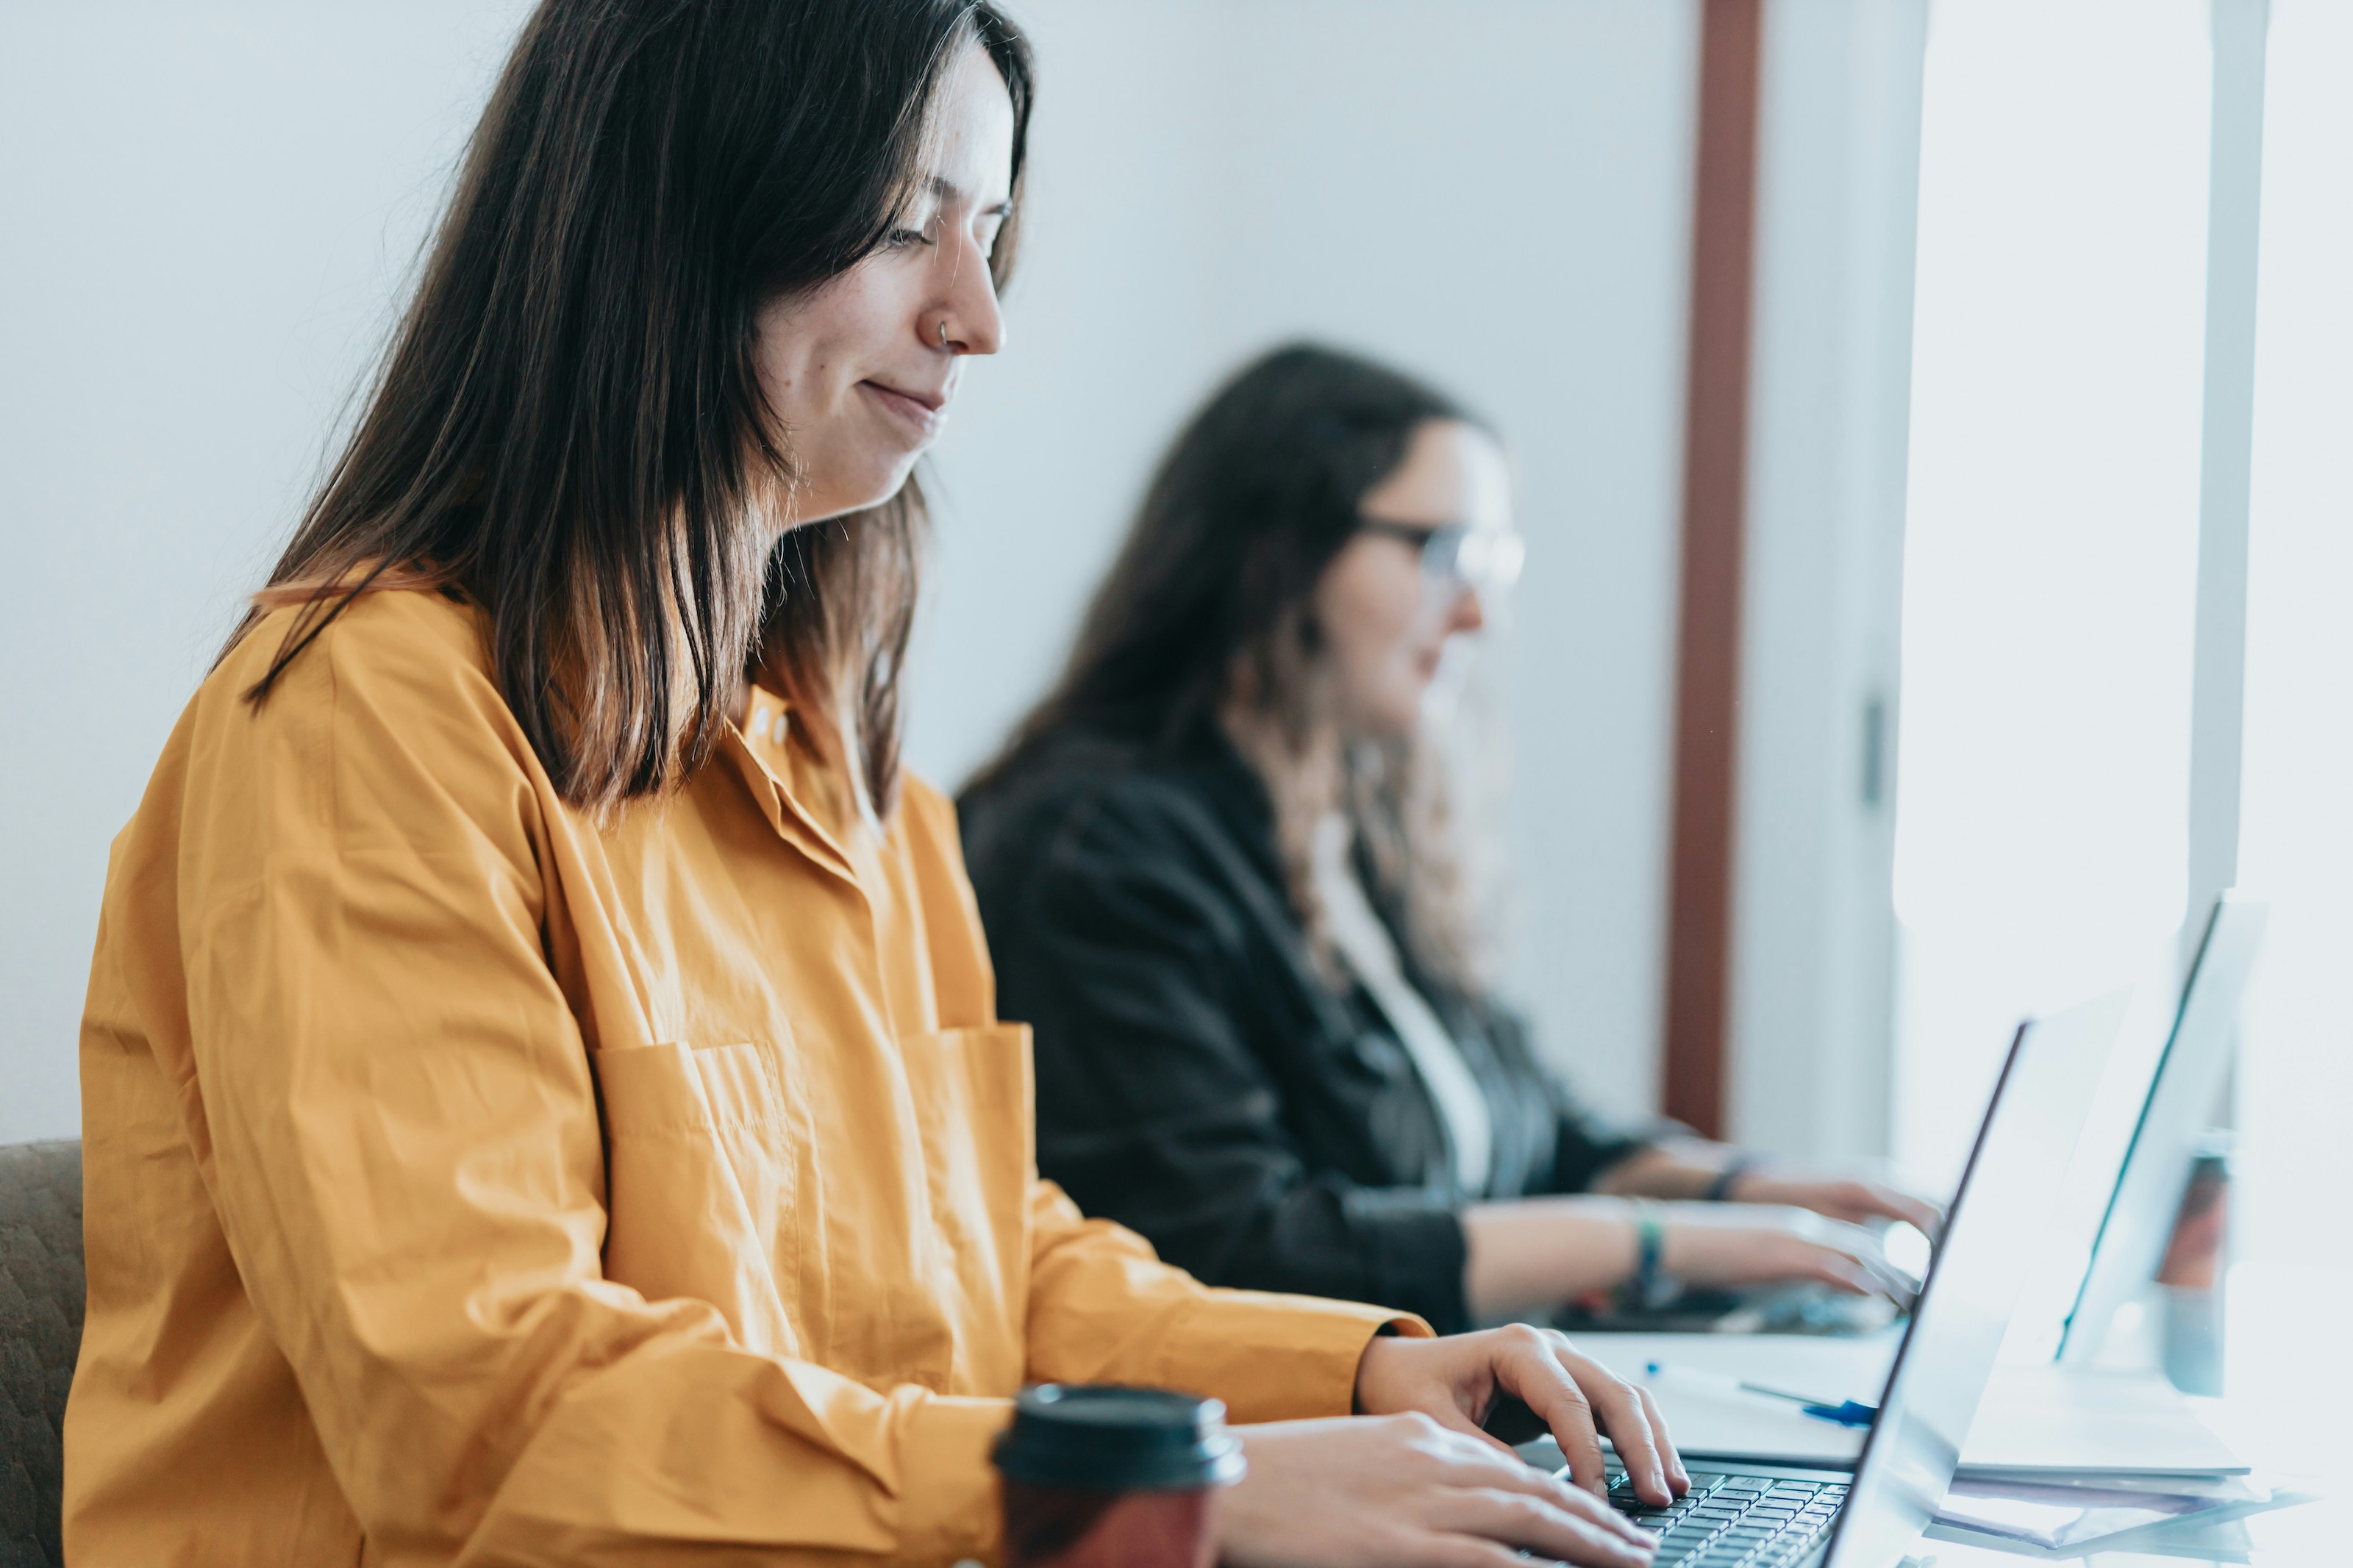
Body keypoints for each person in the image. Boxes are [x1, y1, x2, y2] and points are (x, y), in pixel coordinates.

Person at [63, 8, 1684, 1565]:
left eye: (988, 232)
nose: (980, 315)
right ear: (687, 217)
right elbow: (487, 1427)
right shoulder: (369, 723)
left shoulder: (834, 762)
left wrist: (1357, 1371)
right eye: (911, 225)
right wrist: (1179, 1486)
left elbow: (982, 1262)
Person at [958, 344, 1940, 1339]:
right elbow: (1234, 1250)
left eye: (1491, 563)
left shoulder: (1345, 809)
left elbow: (1536, 1128)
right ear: (1274, 554)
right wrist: (1654, 1242)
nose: (1477, 612)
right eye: (1441, 554)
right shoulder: (1092, 846)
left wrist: (1761, 1191)